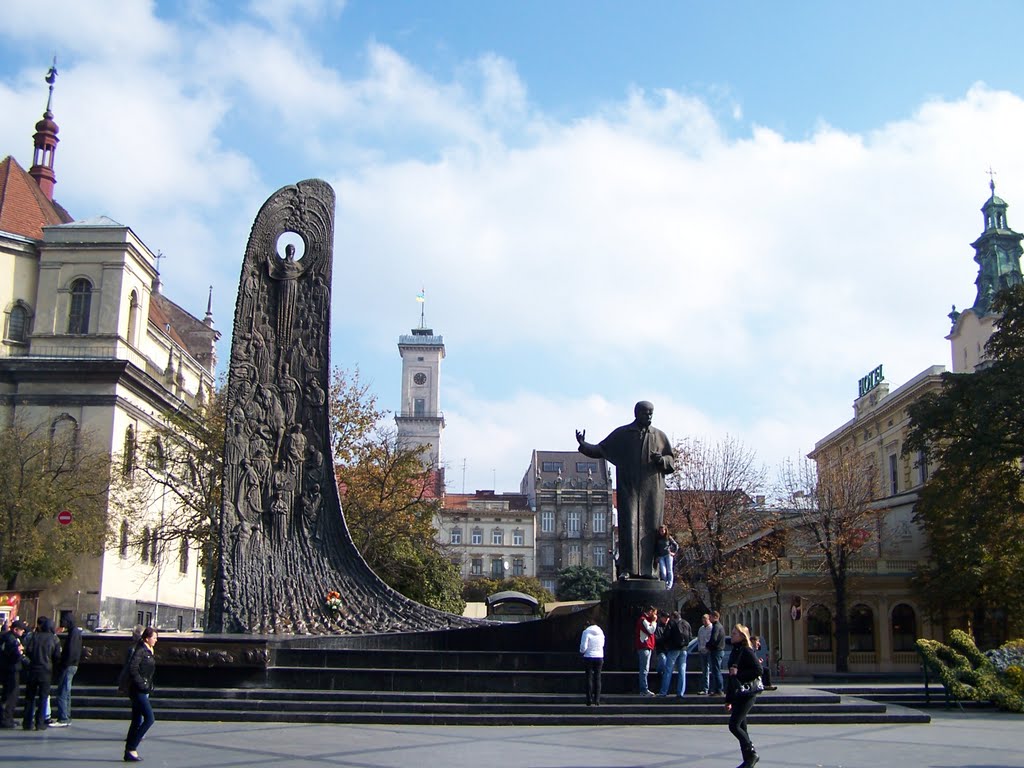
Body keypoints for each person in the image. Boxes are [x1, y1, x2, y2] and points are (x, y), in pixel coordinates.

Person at [576, 401, 676, 578]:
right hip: (629, 489)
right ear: (637, 413)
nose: (649, 416)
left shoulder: (659, 436)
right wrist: (584, 444)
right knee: (629, 527)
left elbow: (671, 461)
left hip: (652, 491)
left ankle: (650, 572)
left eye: (651, 413)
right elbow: (601, 449)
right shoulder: (623, 434)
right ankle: (628, 570)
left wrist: (661, 460)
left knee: (651, 528)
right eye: (646, 413)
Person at [724, 623, 764, 768]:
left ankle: (752, 754)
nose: (732, 635)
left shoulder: (746, 650)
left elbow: (758, 670)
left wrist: (739, 674)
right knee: (742, 726)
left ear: (742, 636)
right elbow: (731, 676)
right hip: (738, 693)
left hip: (748, 693)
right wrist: (728, 699)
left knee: (734, 725)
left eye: (734, 633)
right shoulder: (735, 651)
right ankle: (748, 759)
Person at [124, 627, 158, 762]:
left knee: (136, 720)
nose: (156, 640)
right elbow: (132, 668)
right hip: (138, 690)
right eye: (154, 637)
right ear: (147, 638)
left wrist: (149, 684)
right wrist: (142, 684)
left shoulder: (148, 650)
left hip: (142, 689)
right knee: (149, 719)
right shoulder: (141, 651)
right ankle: (132, 747)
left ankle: (129, 751)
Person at [22, 617, 61, 730]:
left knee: (30, 697)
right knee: (43, 698)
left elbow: (27, 651)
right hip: (46, 671)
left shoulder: (33, 636)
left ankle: (27, 722)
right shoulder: (54, 639)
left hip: (33, 669)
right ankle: (39, 723)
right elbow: (56, 656)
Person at [51, 614, 83, 727]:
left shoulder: (73, 633)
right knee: (66, 691)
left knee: (62, 691)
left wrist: (63, 663)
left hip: (68, 665)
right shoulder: (76, 632)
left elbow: (71, 651)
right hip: (73, 665)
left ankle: (63, 717)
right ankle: (66, 716)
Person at [0, 619, 28, 728]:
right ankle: (7, 719)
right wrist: (20, 651)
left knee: (7, 694)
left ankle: (5, 718)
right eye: (21, 630)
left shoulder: (5, 637)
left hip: (6, 669)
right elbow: (15, 655)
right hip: (12, 670)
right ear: (15, 629)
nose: (23, 632)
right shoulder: (12, 640)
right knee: (12, 695)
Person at [658, 611, 692, 697]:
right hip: (684, 649)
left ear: (673, 617)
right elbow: (690, 637)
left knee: (668, 670)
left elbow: (666, 636)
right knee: (682, 670)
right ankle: (680, 692)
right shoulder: (686, 623)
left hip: (673, 649)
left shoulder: (671, 623)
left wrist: (664, 644)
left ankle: (663, 692)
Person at [579, 619, 605, 707]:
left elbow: (583, 646)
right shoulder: (601, 632)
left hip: (589, 657)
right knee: (598, 677)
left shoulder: (586, 632)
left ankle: (589, 699)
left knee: (589, 678)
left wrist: (582, 652)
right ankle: (597, 699)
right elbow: (602, 644)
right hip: (599, 656)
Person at [634, 606, 658, 695]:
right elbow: (651, 630)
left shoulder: (646, 620)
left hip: (647, 646)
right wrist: (654, 621)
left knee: (645, 669)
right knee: (644, 669)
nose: (655, 615)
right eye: (654, 613)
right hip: (644, 646)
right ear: (650, 611)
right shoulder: (643, 620)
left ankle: (644, 689)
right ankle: (643, 689)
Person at [707, 610, 726, 695]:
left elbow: (714, 639)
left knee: (716, 670)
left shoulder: (716, 626)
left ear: (715, 617)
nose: (709, 619)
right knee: (716, 670)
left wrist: (708, 645)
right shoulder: (720, 626)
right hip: (719, 650)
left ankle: (718, 689)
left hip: (716, 650)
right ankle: (718, 689)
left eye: (710, 617)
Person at [654, 525, 678, 589]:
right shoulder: (658, 539)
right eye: (660, 531)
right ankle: (665, 583)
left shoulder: (668, 537)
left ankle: (669, 585)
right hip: (661, 556)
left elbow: (676, 545)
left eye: (662, 531)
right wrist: (657, 556)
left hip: (668, 556)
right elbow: (656, 549)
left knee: (669, 570)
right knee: (663, 571)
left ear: (665, 530)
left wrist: (673, 553)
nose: (661, 532)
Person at [696, 613, 712, 694]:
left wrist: (708, 648)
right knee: (704, 670)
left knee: (712, 669)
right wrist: (699, 649)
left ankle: (713, 688)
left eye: (706, 620)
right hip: (702, 651)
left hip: (709, 651)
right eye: (703, 620)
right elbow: (699, 640)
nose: (704, 621)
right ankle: (705, 688)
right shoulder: (701, 629)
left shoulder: (712, 628)